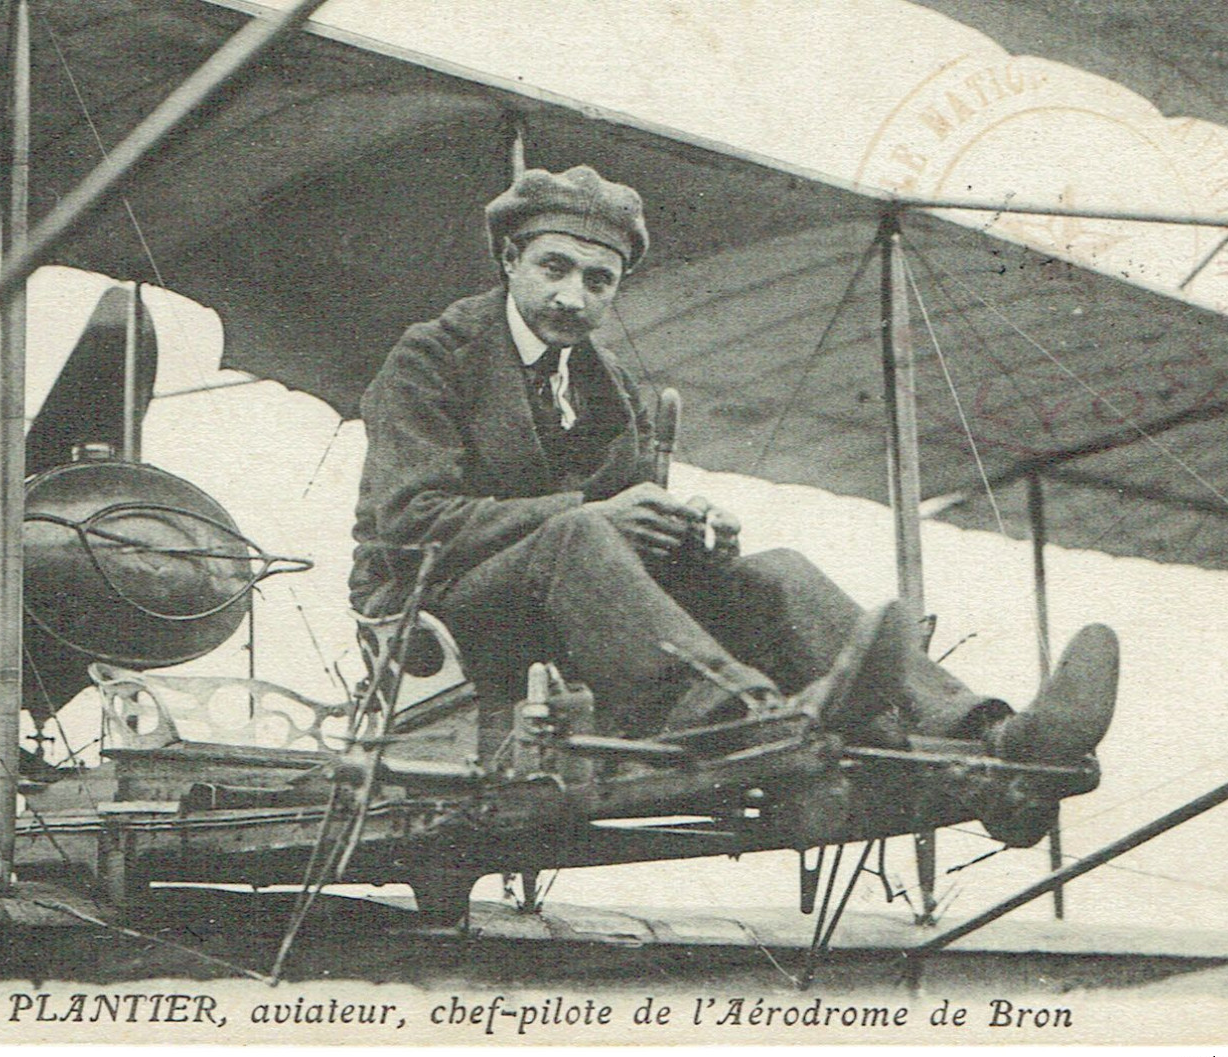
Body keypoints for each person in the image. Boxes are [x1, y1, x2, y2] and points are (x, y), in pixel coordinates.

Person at [349, 164, 1117, 760]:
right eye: (554, 267)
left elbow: (624, 529)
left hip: (566, 606)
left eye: (598, 280)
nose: (573, 297)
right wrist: (589, 516)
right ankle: (739, 720)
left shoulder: (605, 382)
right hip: (436, 613)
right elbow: (408, 522)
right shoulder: (432, 357)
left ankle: (985, 733)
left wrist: (688, 531)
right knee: (577, 537)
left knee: (772, 569)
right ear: (511, 259)